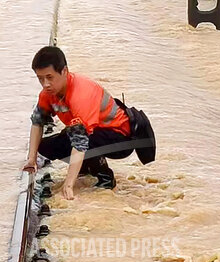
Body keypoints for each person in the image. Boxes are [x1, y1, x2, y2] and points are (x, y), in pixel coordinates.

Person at [22, 45, 146, 200]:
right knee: (46, 146)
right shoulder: (48, 93)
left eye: (49, 77)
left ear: (64, 71)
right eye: (40, 79)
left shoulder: (81, 94)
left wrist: (68, 185)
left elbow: (80, 142)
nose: (45, 84)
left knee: (80, 139)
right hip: (93, 133)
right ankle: (86, 168)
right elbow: (37, 122)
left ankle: (106, 178)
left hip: (122, 138)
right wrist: (32, 159)